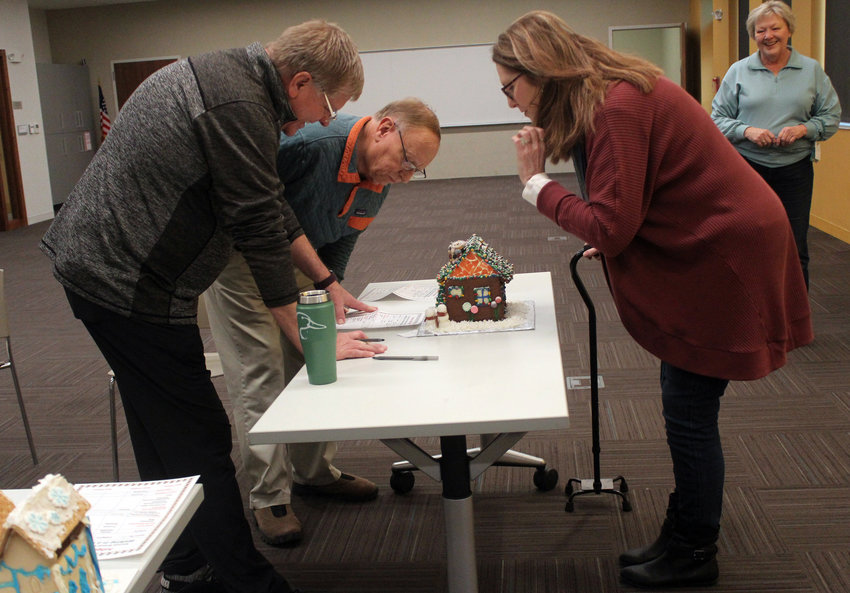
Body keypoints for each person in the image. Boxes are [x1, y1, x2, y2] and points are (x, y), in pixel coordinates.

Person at [39, 20, 385, 593]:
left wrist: (324, 281)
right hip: (124, 282)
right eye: (329, 105)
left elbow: (269, 205)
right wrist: (304, 333)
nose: (328, 120)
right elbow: (254, 222)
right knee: (199, 438)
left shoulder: (239, 86)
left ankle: (184, 566)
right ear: (299, 82)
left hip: (113, 275)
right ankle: (244, 581)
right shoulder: (237, 102)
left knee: (162, 433)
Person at [493, 10, 813, 589]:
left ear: (538, 71)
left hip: (725, 255)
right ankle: (682, 530)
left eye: (509, 88)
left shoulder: (615, 105)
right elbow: (636, 201)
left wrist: (536, 184)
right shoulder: (610, 95)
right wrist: (608, 232)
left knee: (688, 413)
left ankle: (695, 551)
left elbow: (612, 225)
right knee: (683, 404)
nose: (511, 103)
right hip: (716, 238)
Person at [204, 98, 440, 546]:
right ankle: (268, 497)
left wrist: (330, 288)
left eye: (417, 171)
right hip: (242, 258)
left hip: (301, 260)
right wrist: (314, 285)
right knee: (262, 371)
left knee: (317, 363)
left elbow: (345, 232)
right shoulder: (312, 145)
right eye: (407, 162)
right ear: (384, 128)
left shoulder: (380, 172)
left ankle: (313, 472)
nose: (406, 176)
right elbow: (254, 212)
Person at [711, 0, 840, 289]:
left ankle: (794, 323)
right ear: (753, 35)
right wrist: (748, 131)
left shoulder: (811, 71)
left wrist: (803, 129)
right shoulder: (738, 71)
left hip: (795, 171)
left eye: (775, 28)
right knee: (747, 243)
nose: (768, 35)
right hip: (747, 170)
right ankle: (751, 318)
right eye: (760, 30)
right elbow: (717, 118)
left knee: (794, 248)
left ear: (789, 30)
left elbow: (831, 117)